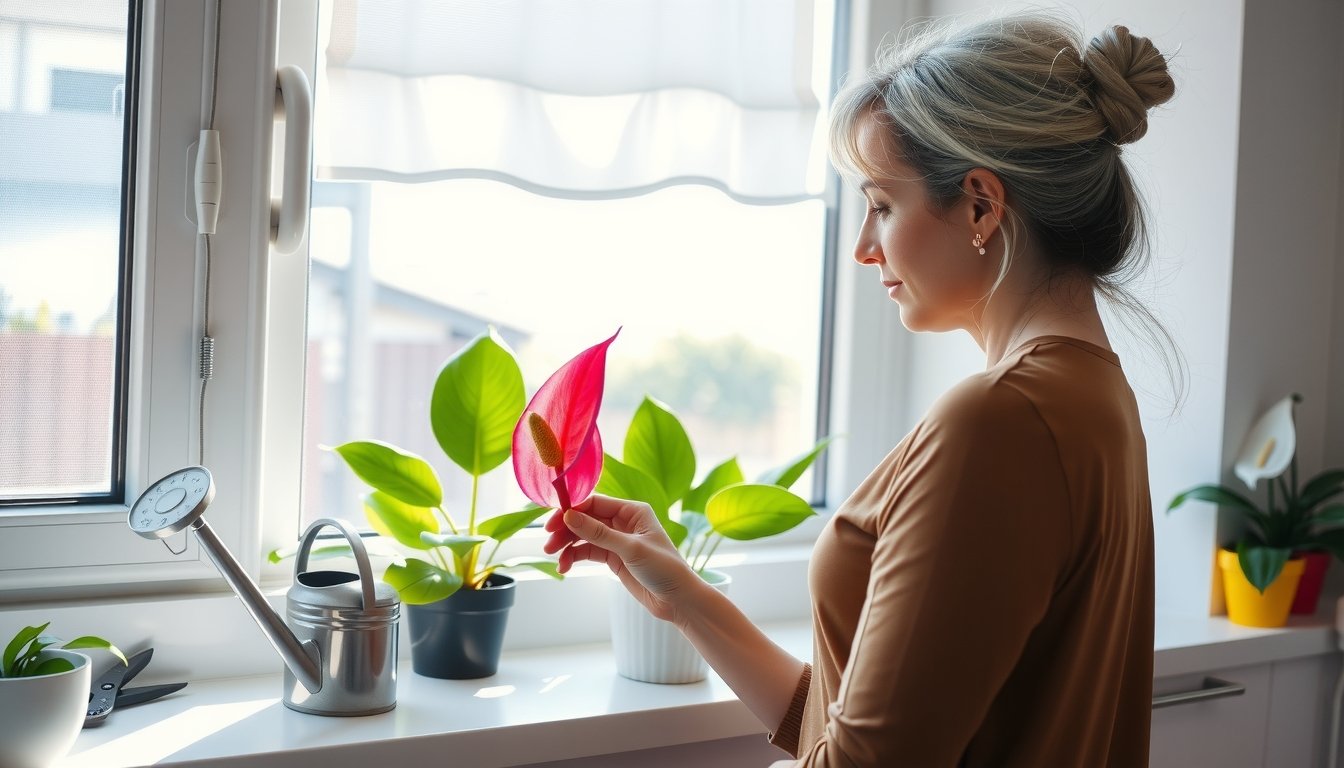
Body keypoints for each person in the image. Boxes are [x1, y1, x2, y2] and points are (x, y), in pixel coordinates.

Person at [544, 10, 1176, 767]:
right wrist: (684, 599)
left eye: (882, 205)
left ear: (980, 204)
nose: (862, 248)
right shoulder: (1095, 400)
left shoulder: (1000, 421)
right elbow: (875, 729)